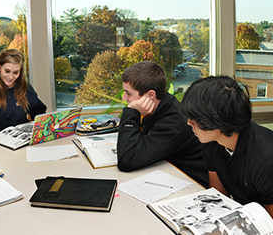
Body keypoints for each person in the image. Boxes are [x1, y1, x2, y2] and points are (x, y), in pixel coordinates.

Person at [181, 75, 273, 218]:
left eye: (195, 119)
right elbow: (218, 196)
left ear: (218, 122)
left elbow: (269, 221)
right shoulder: (211, 141)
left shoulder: (265, 160)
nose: (188, 122)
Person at [116, 61, 208, 188]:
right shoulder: (162, 106)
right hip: (169, 175)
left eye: (129, 93)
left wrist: (132, 112)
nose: (124, 98)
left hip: (192, 186)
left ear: (151, 95)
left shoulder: (173, 123)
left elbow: (127, 161)